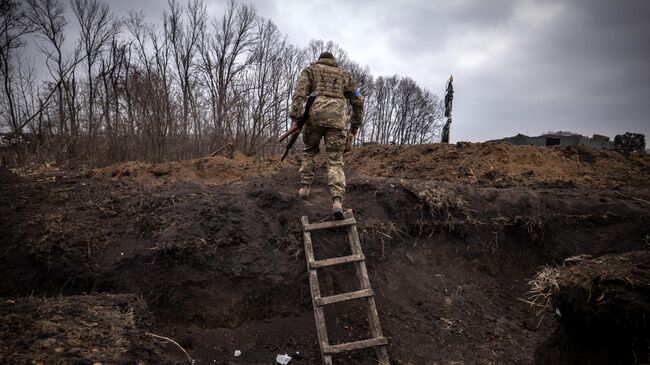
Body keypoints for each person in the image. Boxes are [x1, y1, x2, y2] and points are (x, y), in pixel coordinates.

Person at [289, 51, 364, 219]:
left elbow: (299, 94)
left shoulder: (310, 70)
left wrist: (295, 117)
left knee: (309, 151)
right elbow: (358, 100)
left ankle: (305, 187)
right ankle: (337, 201)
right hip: (337, 121)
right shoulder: (345, 75)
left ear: (320, 59)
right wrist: (355, 125)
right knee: (335, 160)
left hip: (314, 118)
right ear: (334, 62)